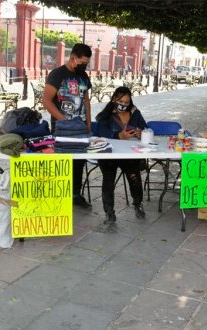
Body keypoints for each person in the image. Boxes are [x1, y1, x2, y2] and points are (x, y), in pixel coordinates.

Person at [43, 43, 93, 208]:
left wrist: (89, 124)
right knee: (62, 161)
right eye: (82, 62)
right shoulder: (57, 75)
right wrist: (63, 120)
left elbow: (86, 101)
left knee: (79, 162)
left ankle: (75, 194)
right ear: (73, 58)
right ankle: (60, 196)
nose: (84, 66)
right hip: (62, 128)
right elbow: (46, 101)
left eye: (87, 63)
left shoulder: (84, 76)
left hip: (81, 128)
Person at [96, 86, 148, 225]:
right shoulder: (105, 115)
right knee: (108, 179)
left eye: (126, 102)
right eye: (121, 101)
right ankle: (109, 212)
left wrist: (140, 133)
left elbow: (146, 128)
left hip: (129, 154)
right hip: (109, 155)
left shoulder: (135, 113)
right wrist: (119, 135)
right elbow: (102, 134)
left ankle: (138, 204)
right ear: (114, 99)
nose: (123, 105)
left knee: (134, 177)